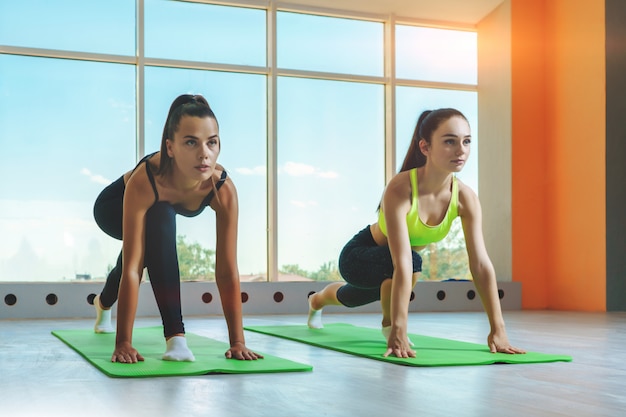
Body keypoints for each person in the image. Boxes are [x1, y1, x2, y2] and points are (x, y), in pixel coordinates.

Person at [307, 108, 526, 359]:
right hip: (359, 256)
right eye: (449, 142)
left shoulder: (466, 198)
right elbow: (402, 261)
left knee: (351, 297)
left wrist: (498, 329)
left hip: (397, 268)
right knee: (411, 263)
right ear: (425, 147)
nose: (461, 150)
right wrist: (398, 328)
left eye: (466, 141)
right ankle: (388, 327)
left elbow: (480, 264)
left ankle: (316, 301)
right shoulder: (401, 188)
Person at [92, 94, 263, 363]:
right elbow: (134, 269)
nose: (204, 153)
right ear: (170, 148)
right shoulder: (146, 179)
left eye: (212, 142)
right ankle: (176, 338)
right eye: (191, 142)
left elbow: (227, 271)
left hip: (156, 216)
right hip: (112, 207)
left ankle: (102, 303)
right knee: (159, 218)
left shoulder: (223, 188)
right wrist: (123, 342)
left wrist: (238, 342)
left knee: (151, 240)